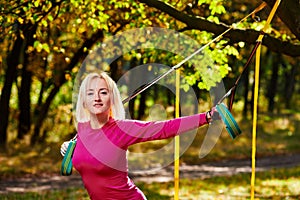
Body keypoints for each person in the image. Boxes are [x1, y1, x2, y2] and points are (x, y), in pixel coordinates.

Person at [61, 72, 217, 200]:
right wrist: (69, 147)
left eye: (103, 92)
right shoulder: (81, 129)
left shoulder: (122, 129)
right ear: (84, 101)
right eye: (90, 93)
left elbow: (164, 128)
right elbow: (86, 150)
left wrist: (206, 117)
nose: (97, 97)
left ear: (112, 98)